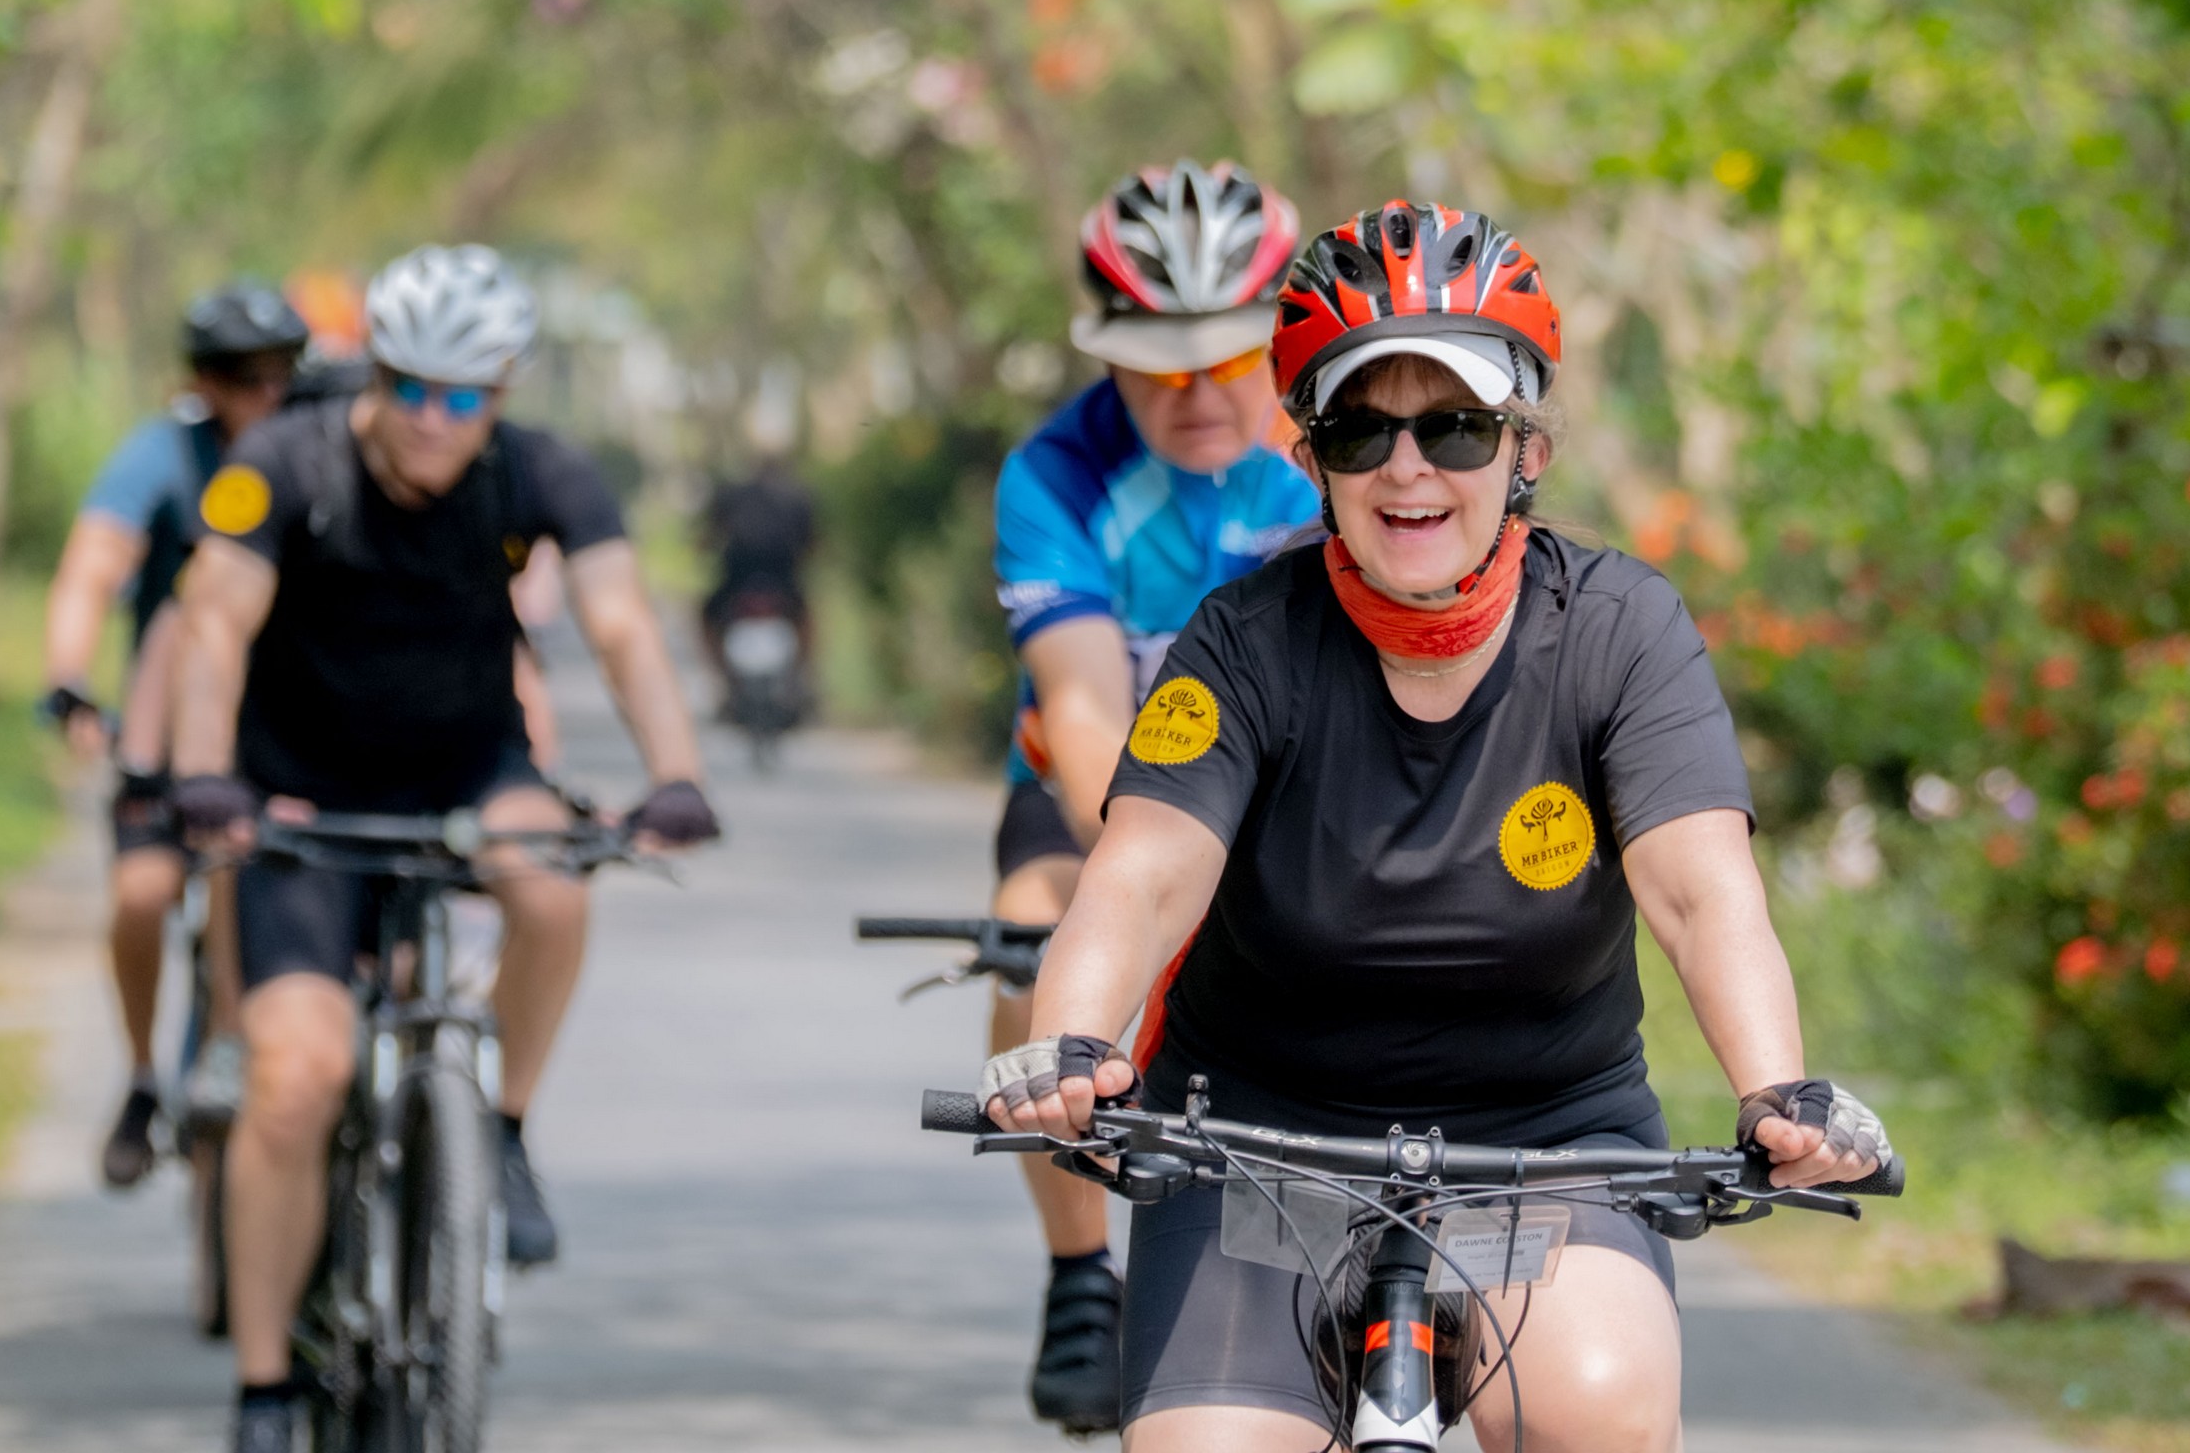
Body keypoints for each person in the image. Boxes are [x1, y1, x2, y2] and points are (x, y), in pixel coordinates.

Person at [984, 200, 1895, 1452]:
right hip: (1255, 1137)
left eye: (1454, 427)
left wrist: (1775, 1087)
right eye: (1362, 431)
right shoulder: (1240, 642)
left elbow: (1700, 890)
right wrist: (1070, 1042)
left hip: (1550, 1146)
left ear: (1526, 447)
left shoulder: (1623, 633)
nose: (1407, 470)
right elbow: (1141, 877)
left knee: (1601, 1419)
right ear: (1309, 458)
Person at [164, 244, 722, 1453]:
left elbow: (621, 621)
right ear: (374, 371)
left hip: (469, 772)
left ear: (503, 394)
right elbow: (213, 621)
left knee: (557, 890)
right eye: (409, 385)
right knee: (296, 1078)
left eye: (462, 396)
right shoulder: (282, 465)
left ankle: (503, 1131)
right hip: (297, 801)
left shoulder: (541, 475)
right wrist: (206, 774)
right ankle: (264, 1388)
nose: (430, 418)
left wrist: (675, 774)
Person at [987, 159, 1318, 1431]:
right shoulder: (1057, 476)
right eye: (1157, 366)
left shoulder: (1334, 452)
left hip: (1301, 797)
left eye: (1230, 360)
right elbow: (1080, 712)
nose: (1198, 396)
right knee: (1038, 932)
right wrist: (1148, 894)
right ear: (1103, 354)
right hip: (1114, 791)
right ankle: (1082, 1275)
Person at [39, 281, 309, 1188]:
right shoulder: (162, 456)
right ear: (204, 380)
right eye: (243, 376)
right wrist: (71, 681)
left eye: (282, 375)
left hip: (281, 728)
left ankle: (241, 1047)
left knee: (259, 871)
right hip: (168, 734)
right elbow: (92, 568)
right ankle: (145, 1077)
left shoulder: (317, 453)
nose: (265, 394)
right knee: (144, 893)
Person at [698, 454, 819, 682]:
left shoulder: (731, 495)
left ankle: (723, 678)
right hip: (781, 583)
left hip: (737, 583)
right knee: (807, 620)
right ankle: (800, 677)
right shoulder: (797, 497)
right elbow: (811, 544)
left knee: (706, 617)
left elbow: (709, 537)